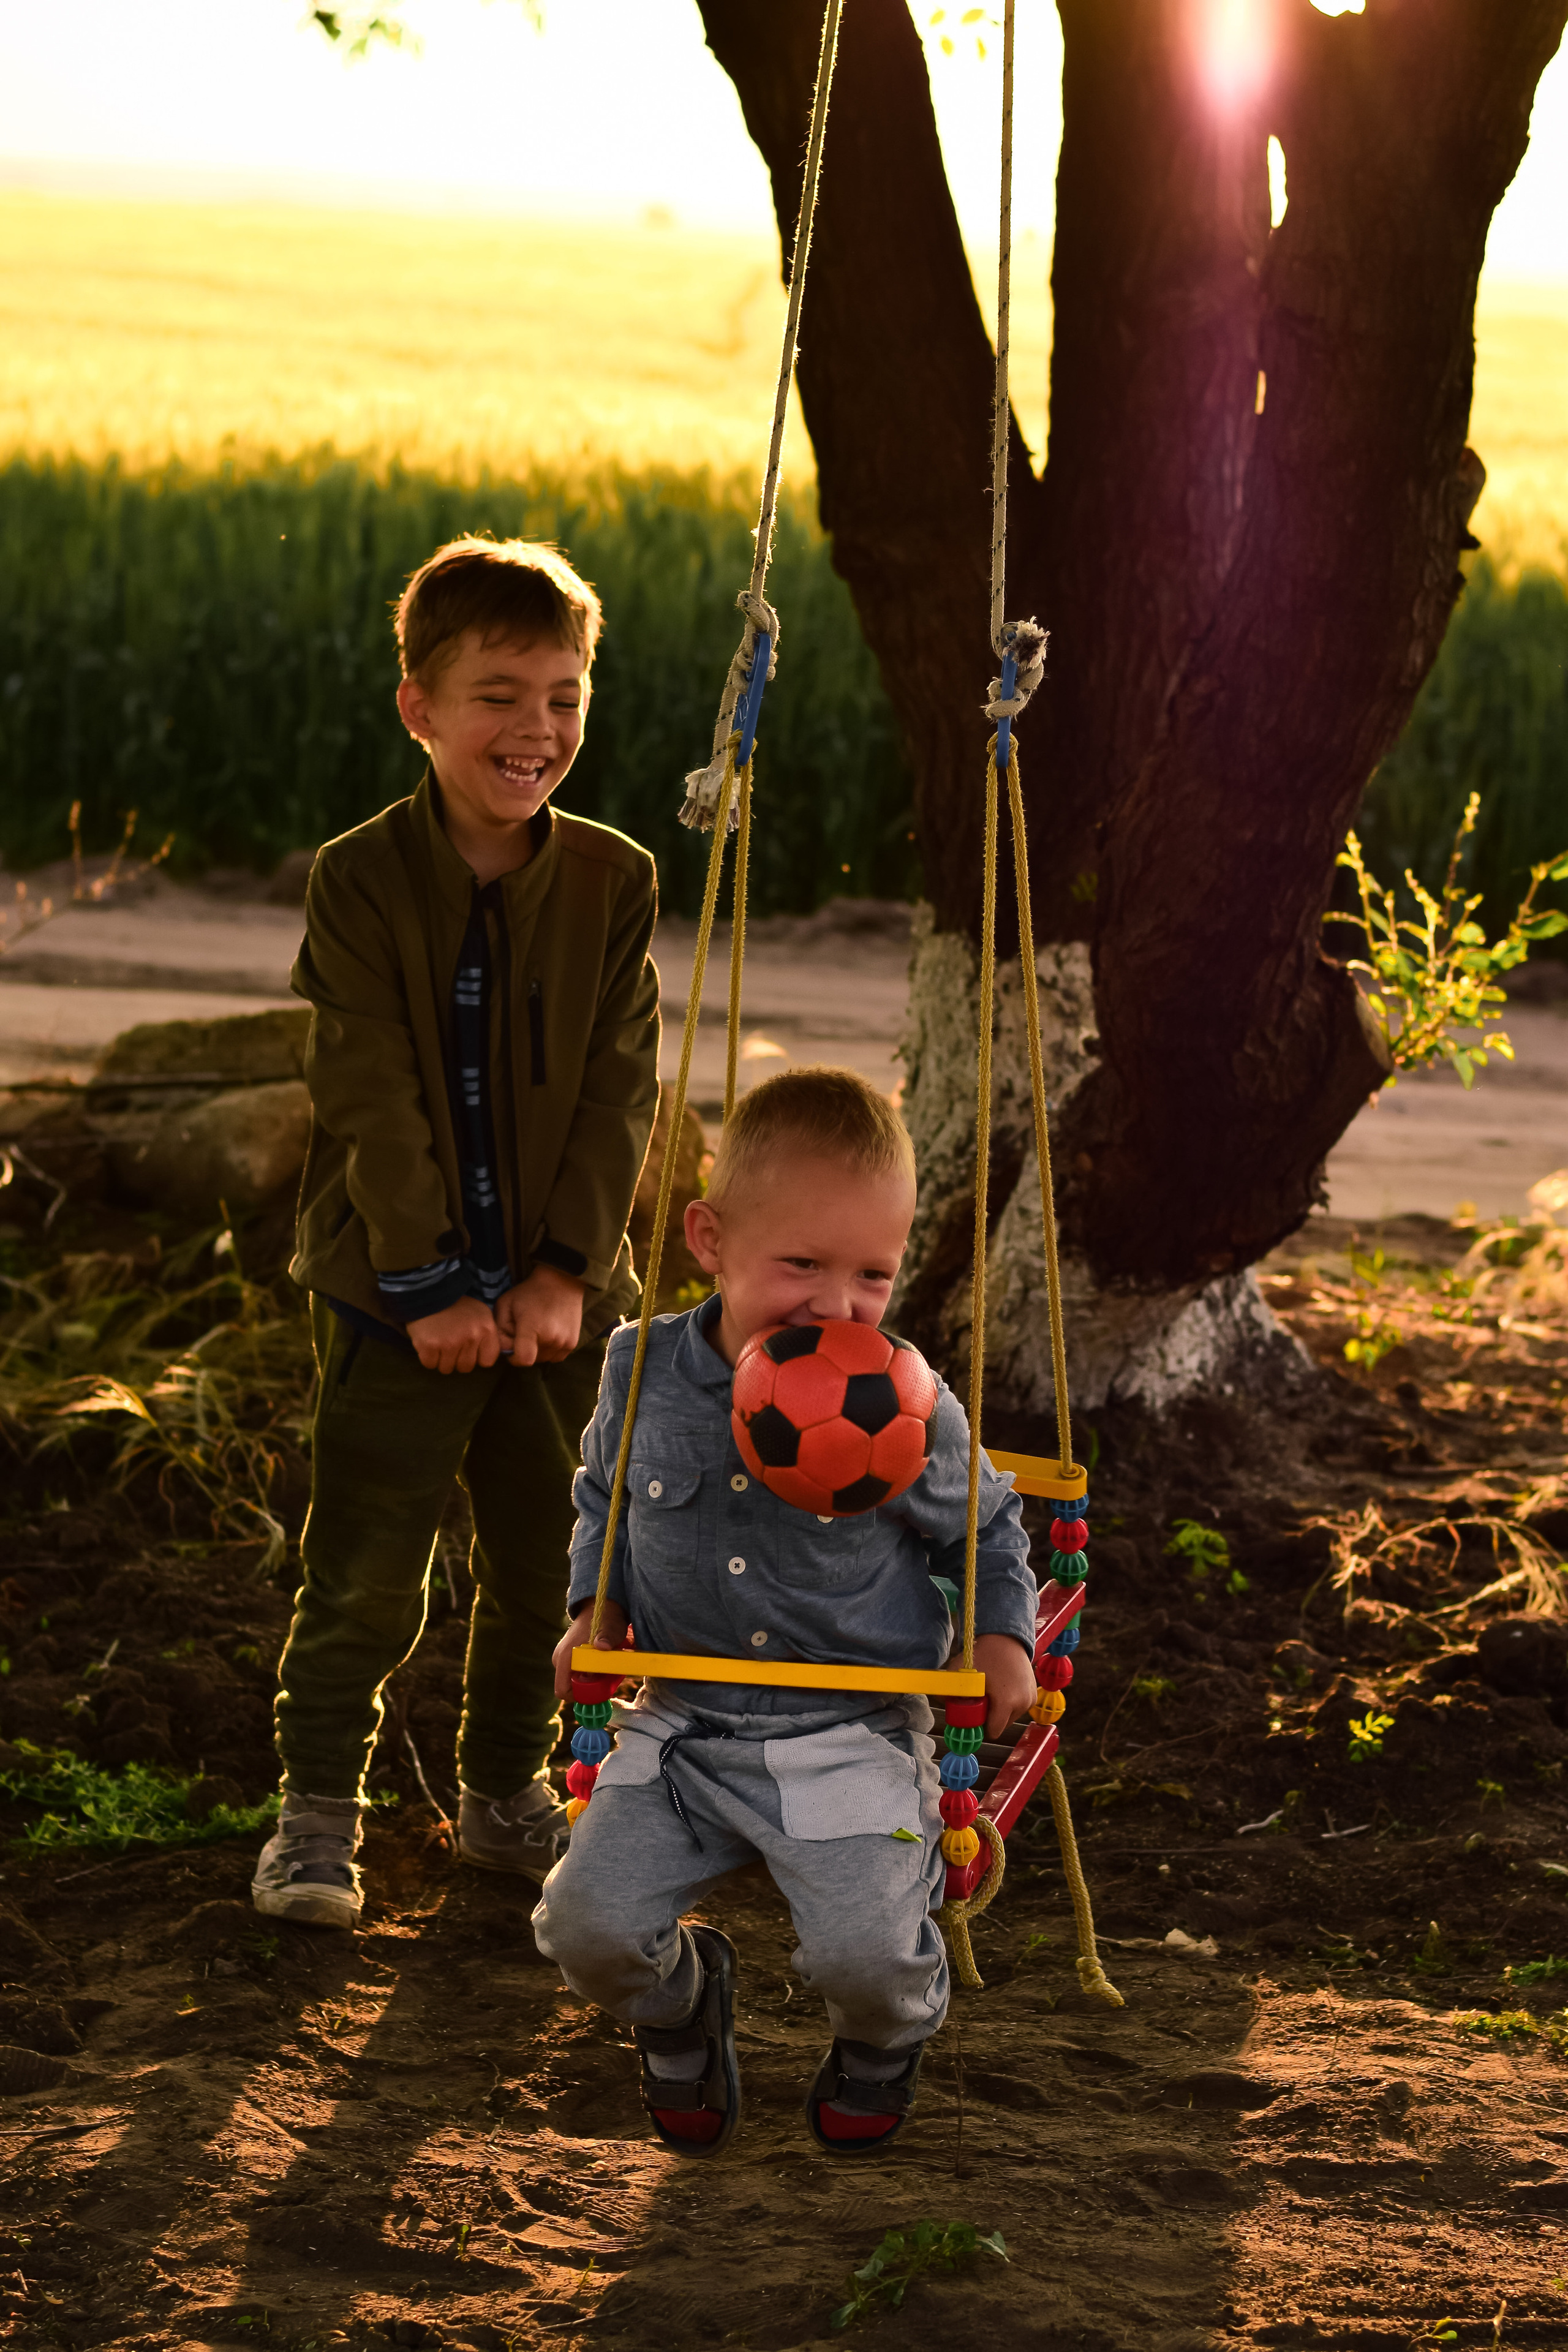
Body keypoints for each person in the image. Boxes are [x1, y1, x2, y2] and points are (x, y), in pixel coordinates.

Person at [252, 535, 661, 1931]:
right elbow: (366, 1090)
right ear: (418, 707)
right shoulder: (361, 880)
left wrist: (563, 1272)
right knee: (368, 1566)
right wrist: (430, 1282)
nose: (534, 728)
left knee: (546, 1560)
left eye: (561, 694)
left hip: (551, 1307)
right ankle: (317, 1816)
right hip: (390, 1297)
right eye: (497, 694)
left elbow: (619, 1096)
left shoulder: (615, 884)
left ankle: (504, 1797)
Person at [532, 1067, 1037, 2157]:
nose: (835, 1305)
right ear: (710, 1239)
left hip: (847, 1732)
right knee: (587, 1931)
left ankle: (881, 2040)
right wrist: (595, 1606)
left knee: (871, 1962)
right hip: (680, 1720)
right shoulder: (642, 1369)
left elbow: (987, 1524)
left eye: (871, 1275)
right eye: (800, 1264)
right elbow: (602, 1503)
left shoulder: (904, 1400)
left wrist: (1000, 1635)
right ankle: (680, 2008)